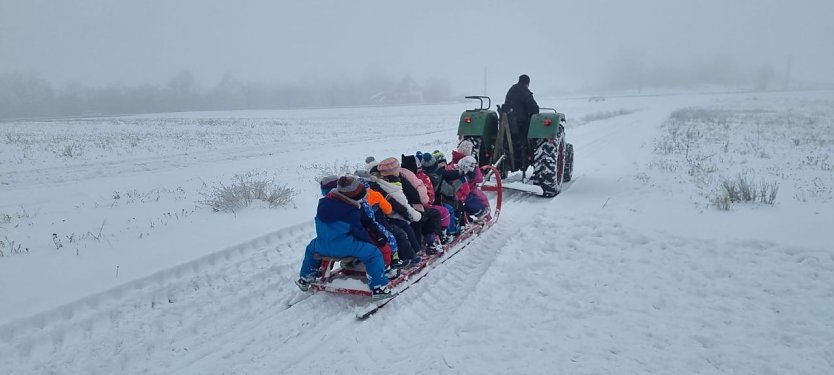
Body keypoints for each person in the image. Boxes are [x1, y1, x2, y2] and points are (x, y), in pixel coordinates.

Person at [296, 175, 393, 300]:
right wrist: (371, 243)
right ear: (353, 196)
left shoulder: (323, 204)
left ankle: (305, 278)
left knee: (310, 249)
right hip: (345, 247)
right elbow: (360, 233)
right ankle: (379, 287)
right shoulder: (350, 211)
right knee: (373, 253)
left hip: (321, 244)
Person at [503, 74, 540, 171]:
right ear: (527, 83)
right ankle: (527, 156)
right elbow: (535, 109)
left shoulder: (511, 90)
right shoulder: (525, 92)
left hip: (508, 125)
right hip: (521, 126)